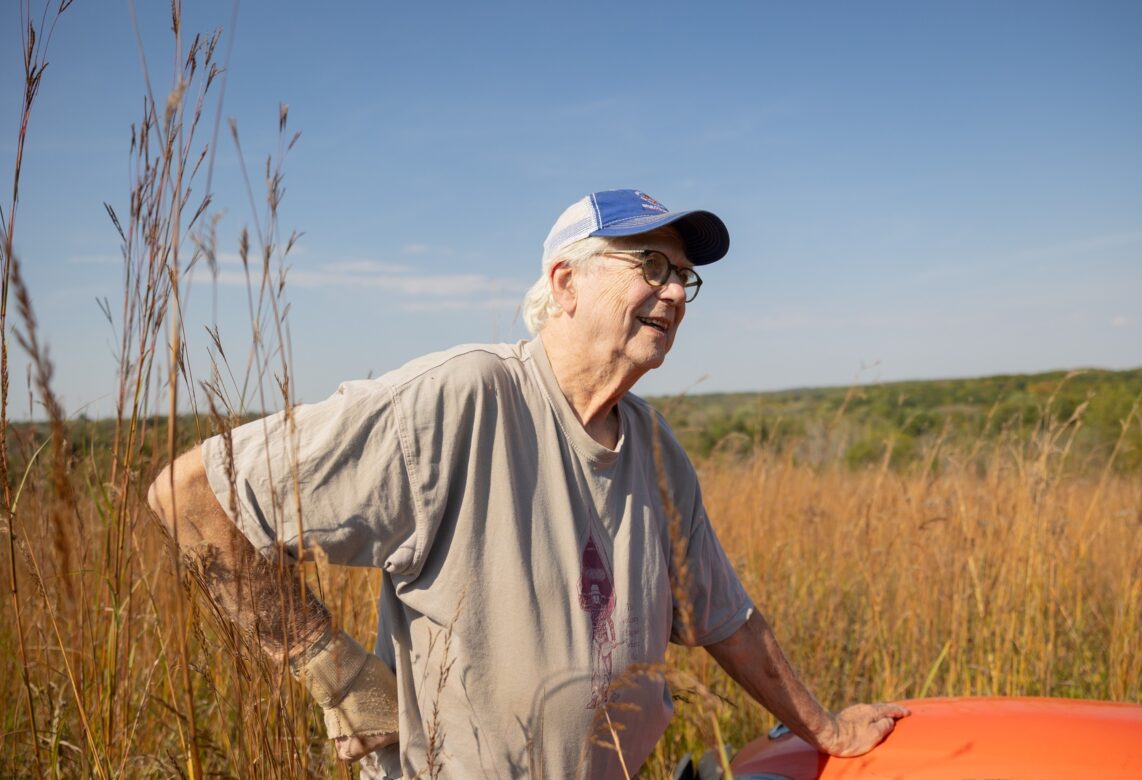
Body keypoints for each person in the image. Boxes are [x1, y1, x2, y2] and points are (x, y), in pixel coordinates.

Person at [148, 189, 908, 778]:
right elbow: (187, 496)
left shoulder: (656, 449)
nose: (675, 293)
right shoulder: (466, 397)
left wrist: (829, 729)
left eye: (684, 276)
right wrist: (335, 673)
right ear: (564, 281)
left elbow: (724, 620)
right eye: (650, 266)